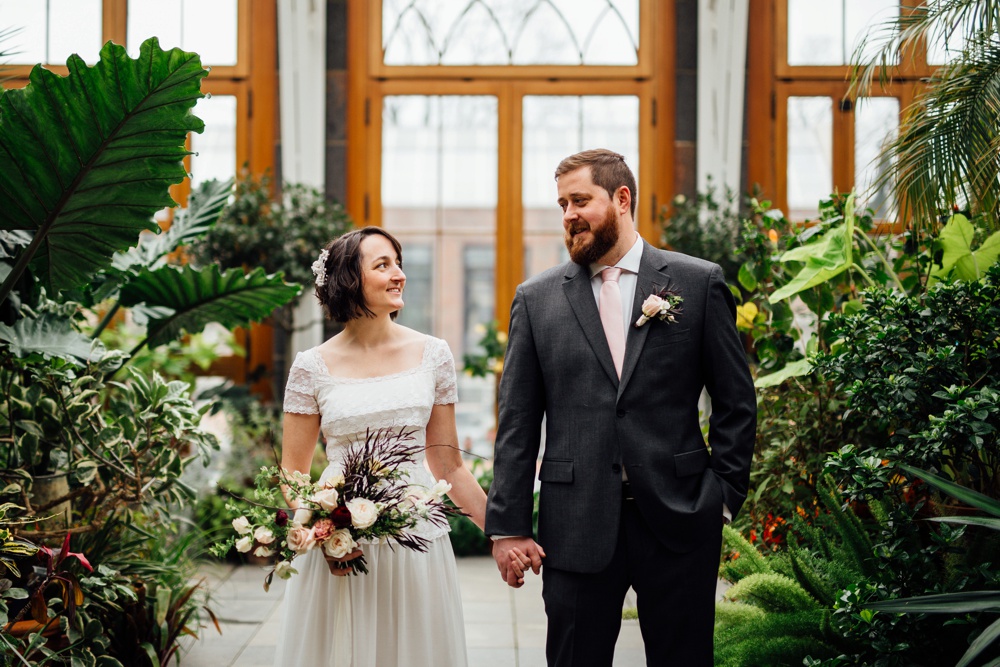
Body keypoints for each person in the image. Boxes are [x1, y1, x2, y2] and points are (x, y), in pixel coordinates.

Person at [485, 149, 756, 666]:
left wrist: (721, 495)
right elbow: (517, 421)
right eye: (562, 203)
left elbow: (736, 400)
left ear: (622, 199)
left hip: (679, 517)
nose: (568, 214)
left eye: (580, 200)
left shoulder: (697, 283)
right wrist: (510, 525)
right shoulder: (536, 298)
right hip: (575, 522)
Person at [274, 226, 488, 667]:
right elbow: (293, 474)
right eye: (382, 265)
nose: (399, 275)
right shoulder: (311, 368)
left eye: (398, 263)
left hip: (417, 536)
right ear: (351, 279)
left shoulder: (434, 354)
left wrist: (507, 533)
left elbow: (449, 466)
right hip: (341, 544)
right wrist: (326, 535)